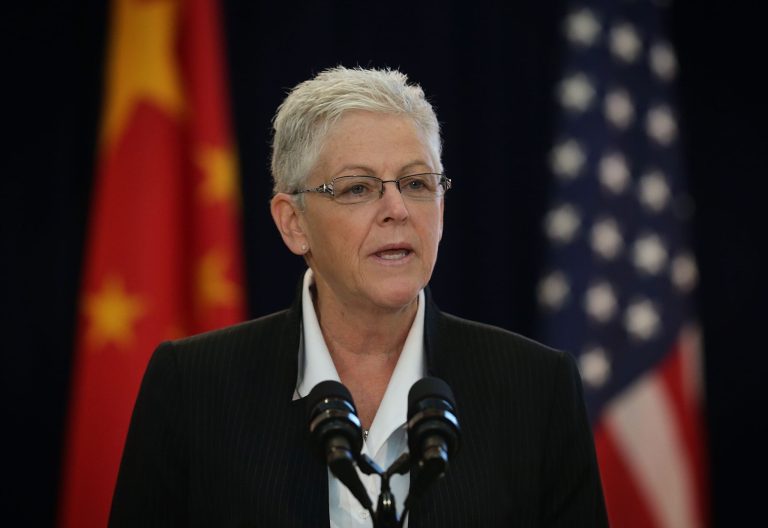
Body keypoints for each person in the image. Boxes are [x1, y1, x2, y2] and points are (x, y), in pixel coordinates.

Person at [109, 66, 608, 527]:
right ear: (293, 223)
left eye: (416, 183)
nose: (397, 209)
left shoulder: (537, 389)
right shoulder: (192, 387)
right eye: (357, 189)